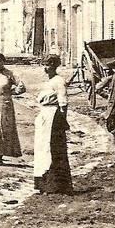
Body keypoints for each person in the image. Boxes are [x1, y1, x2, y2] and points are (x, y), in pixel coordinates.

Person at [34, 54, 72, 194]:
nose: (46, 68)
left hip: (54, 118)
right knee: (42, 149)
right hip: (44, 117)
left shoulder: (58, 81)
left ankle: (56, 185)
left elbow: (63, 103)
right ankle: (42, 184)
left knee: (53, 150)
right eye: (44, 64)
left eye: (49, 65)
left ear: (55, 66)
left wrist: (62, 122)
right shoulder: (47, 82)